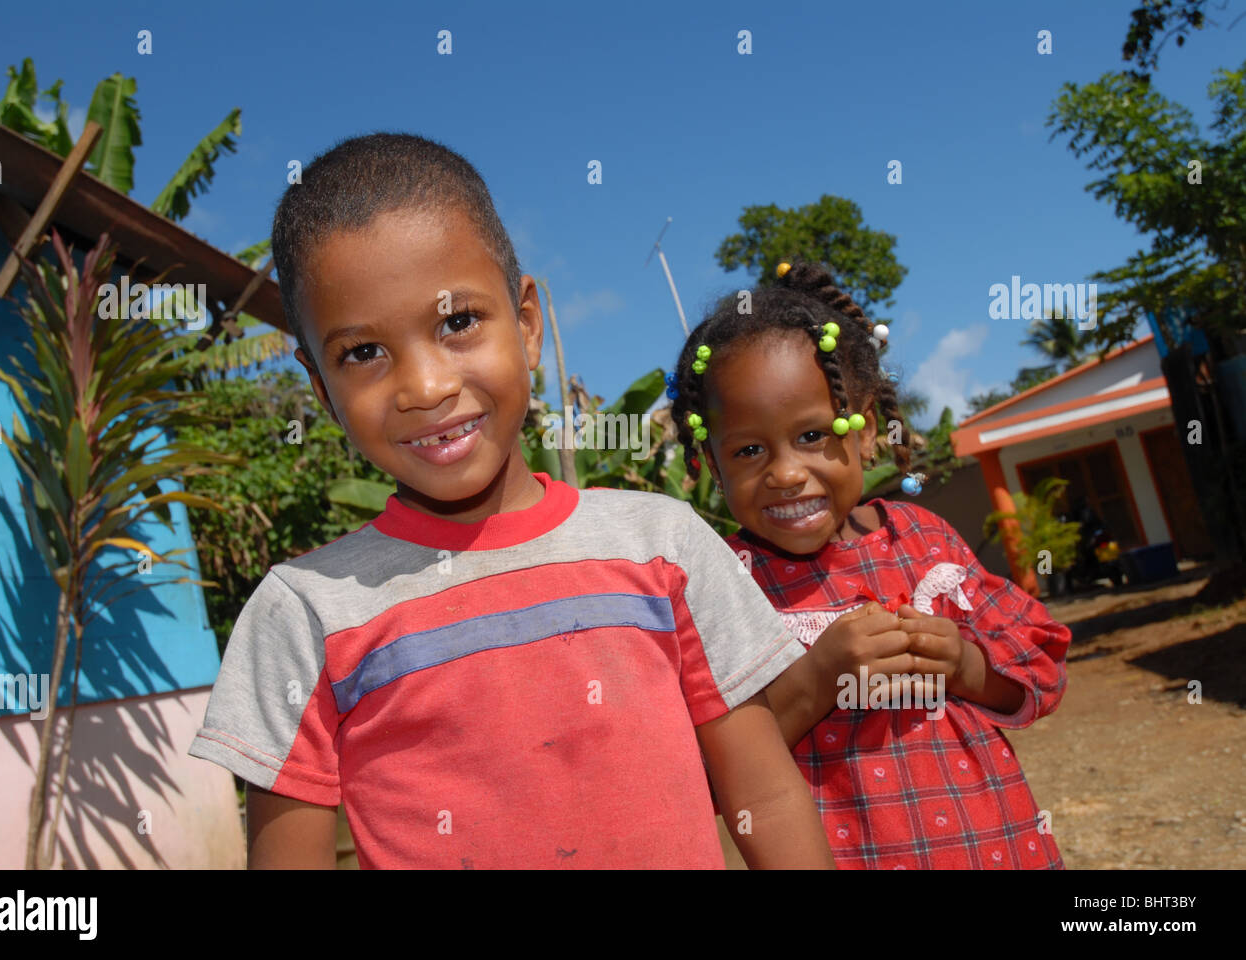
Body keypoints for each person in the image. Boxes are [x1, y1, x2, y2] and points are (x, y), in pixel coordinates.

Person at [187, 133, 834, 869]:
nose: (425, 387)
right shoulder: (303, 615)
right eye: (362, 353)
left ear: (526, 324)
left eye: (457, 322)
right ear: (319, 389)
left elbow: (769, 800)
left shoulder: (664, 547)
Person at [667, 258, 1072, 869]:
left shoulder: (923, 540)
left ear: (865, 434)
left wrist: (964, 664)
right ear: (711, 465)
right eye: (749, 450)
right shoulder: (724, 586)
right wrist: (819, 675)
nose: (785, 472)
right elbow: (710, 768)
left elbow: (1041, 665)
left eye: (812, 436)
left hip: (996, 849)